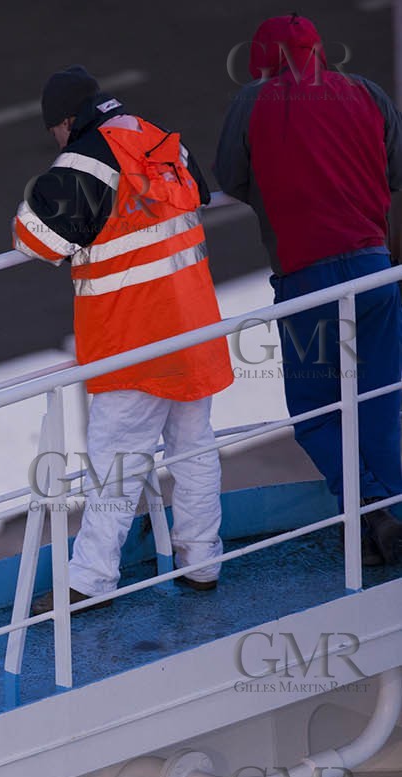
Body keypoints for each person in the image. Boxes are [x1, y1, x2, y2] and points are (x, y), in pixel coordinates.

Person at [12, 67, 233, 611]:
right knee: (194, 447)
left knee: (115, 461)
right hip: (192, 326)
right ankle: (202, 561)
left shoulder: (83, 160)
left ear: (66, 121)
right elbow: (198, 195)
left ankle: (89, 581)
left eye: (55, 132)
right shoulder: (159, 138)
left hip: (131, 338)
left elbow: (33, 239)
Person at [216, 14, 402, 567]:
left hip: (307, 281)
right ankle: (393, 506)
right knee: (381, 399)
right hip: (376, 270)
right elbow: (396, 168)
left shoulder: (253, 103)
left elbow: (231, 179)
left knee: (316, 412)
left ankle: (368, 506)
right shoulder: (366, 91)